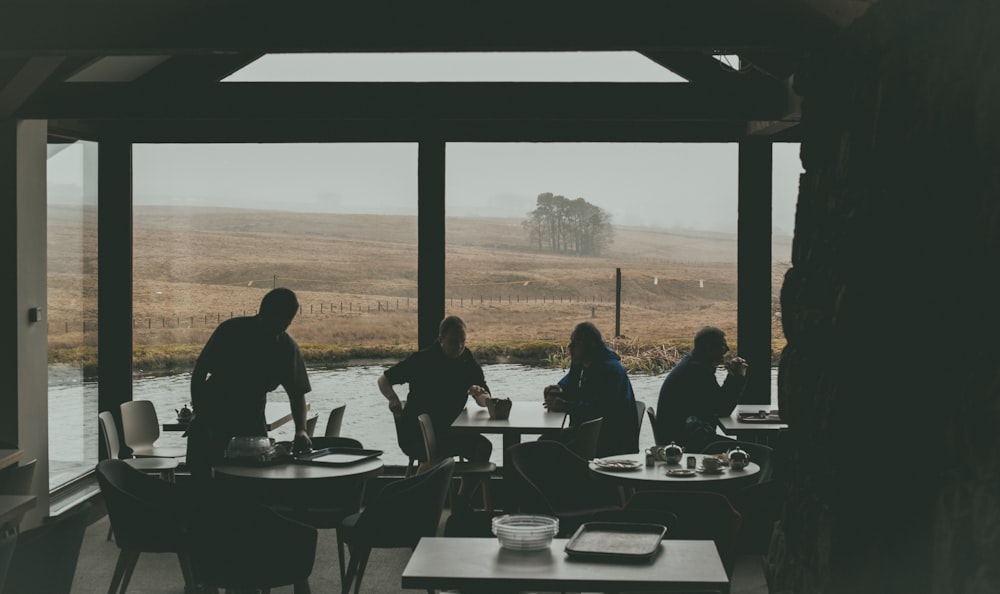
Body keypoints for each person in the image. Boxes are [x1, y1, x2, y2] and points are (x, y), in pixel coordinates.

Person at [186, 288, 313, 478]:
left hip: (235, 418)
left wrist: (301, 430)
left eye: (286, 321)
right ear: (263, 313)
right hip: (216, 417)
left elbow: (297, 393)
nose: (282, 326)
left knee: (230, 483)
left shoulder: (233, 330)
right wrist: (199, 412)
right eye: (279, 320)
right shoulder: (283, 347)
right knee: (236, 481)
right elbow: (199, 371)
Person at [377, 315, 491, 502]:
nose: (460, 347)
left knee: (483, 447)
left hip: (447, 431)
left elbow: (484, 398)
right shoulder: (422, 360)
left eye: (463, 342)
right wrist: (392, 398)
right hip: (415, 432)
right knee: (438, 454)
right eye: (454, 342)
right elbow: (383, 380)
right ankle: (416, 500)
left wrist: (480, 394)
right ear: (441, 340)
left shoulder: (467, 359)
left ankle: (463, 500)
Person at [542, 322, 639, 458]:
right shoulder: (581, 363)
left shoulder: (609, 370)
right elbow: (570, 384)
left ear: (591, 345)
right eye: (571, 342)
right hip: (587, 431)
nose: (570, 347)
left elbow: (599, 410)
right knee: (545, 441)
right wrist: (557, 390)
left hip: (610, 437)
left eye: (576, 343)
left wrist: (565, 405)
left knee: (546, 447)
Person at [655, 326, 747, 452]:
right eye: (722, 345)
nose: (727, 349)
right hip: (686, 443)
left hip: (677, 438)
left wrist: (732, 377)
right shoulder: (699, 371)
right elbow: (722, 409)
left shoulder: (692, 364)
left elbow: (717, 404)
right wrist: (737, 378)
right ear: (709, 347)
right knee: (749, 451)